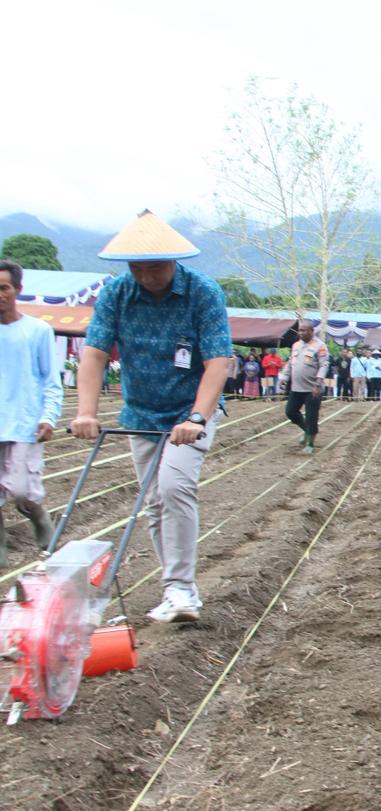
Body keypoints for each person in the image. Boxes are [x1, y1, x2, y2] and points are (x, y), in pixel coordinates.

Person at [72, 210, 232, 623]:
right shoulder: (116, 294)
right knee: (155, 502)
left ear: (174, 261)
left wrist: (197, 417)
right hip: (141, 412)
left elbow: (218, 362)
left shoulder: (203, 292)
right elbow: (93, 354)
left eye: (154, 267)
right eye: (137, 268)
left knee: (175, 485)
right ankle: (174, 588)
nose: (146, 276)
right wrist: (86, 411)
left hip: (190, 410)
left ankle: (182, 589)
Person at [0, 260, 60, 566]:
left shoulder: (37, 331)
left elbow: (51, 381)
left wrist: (48, 416)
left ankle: (42, 527)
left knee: (23, 491)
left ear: (17, 290)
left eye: (4, 287)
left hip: (24, 424)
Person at [279, 320, 329, 454]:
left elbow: (324, 365)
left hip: (312, 389)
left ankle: (310, 444)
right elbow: (290, 364)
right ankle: (306, 430)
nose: (300, 333)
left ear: (311, 331)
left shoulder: (320, 346)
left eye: (304, 330)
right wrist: (283, 377)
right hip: (296, 388)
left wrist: (318, 383)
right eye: (299, 330)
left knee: (312, 416)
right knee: (290, 412)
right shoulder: (296, 345)